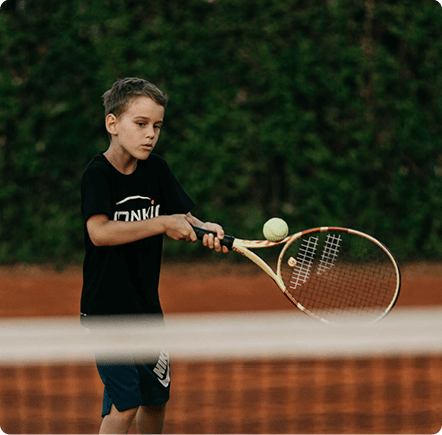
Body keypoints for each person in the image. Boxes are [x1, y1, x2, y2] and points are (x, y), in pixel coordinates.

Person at [80, 77, 228, 435]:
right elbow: (99, 233)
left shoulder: (157, 170)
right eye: (141, 124)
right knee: (126, 403)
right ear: (112, 124)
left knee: (155, 401)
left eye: (157, 126)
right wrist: (162, 223)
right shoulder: (98, 174)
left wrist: (204, 226)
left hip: (147, 310)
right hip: (106, 312)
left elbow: (182, 215)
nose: (151, 134)